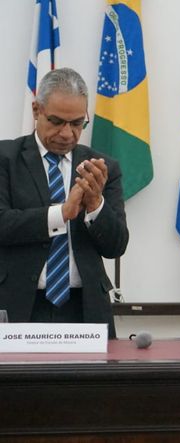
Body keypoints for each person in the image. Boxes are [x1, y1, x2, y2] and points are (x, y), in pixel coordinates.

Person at [0, 67, 128, 338]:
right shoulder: (5, 159)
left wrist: (96, 206)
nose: (67, 133)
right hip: (19, 306)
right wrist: (62, 213)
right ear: (36, 110)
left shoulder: (102, 168)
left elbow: (116, 246)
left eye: (77, 123)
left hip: (86, 308)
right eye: (57, 121)